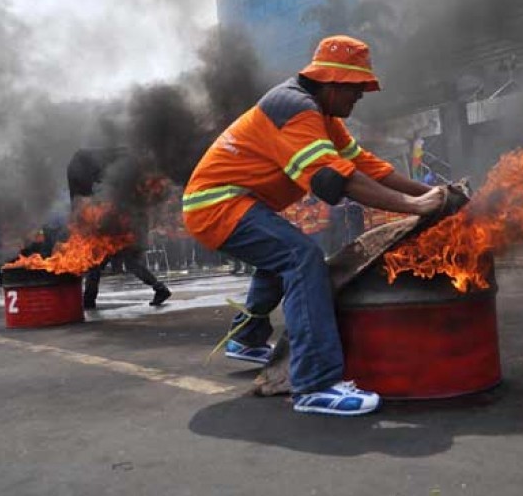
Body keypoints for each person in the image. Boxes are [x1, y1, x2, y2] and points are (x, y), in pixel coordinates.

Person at [182, 35, 447, 416]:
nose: (359, 98)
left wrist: (430, 192)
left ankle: (246, 337)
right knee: (302, 257)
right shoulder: (294, 108)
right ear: (332, 82)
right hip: (216, 204)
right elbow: (333, 179)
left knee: (286, 253)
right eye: (356, 90)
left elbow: (365, 165)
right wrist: (413, 205)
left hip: (237, 201)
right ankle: (314, 383)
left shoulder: (324, 116)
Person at [66, 148, 171, 309]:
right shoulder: (113, 166)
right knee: (111, 264)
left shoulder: (111, 174)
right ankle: (159, 288)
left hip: (118, 229)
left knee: (98, 265)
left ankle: (89, 301)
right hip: (119, 228)